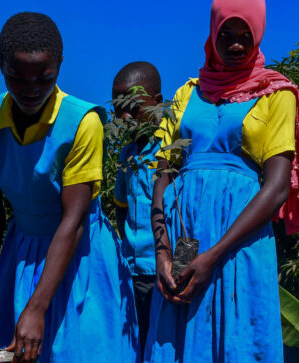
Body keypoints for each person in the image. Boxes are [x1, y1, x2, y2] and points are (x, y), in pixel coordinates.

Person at [0, 12, 139, 362]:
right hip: (23, 252)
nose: (31, 91)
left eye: (44, 79)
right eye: (17, 77)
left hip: (80, 256)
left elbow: (73, 221)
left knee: (80, 351)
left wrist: (37, 306)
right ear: (1, 65)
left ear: (59, 64)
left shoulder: (82, 122)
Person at [145, 0, 299, 361]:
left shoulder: (276, 94)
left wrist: (215, 254)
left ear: (259, 35)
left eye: (245, 36)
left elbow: (278, 187)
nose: (235, 44)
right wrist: (163, 251)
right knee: (179, 331)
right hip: (184, 234)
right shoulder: (188, 92)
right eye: (226, 35)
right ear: (212, 34)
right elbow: (163, 174)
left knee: (237, 334)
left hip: (239, 239)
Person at [111, 61, 164, 351]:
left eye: (134, 106)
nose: (126, 116)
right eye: (119, 109)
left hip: (166, 273)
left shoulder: (174, 151)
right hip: (133, 273)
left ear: (157, 103)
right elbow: (122, 207)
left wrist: (179, 268)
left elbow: (186, 218)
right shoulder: (127, 155)